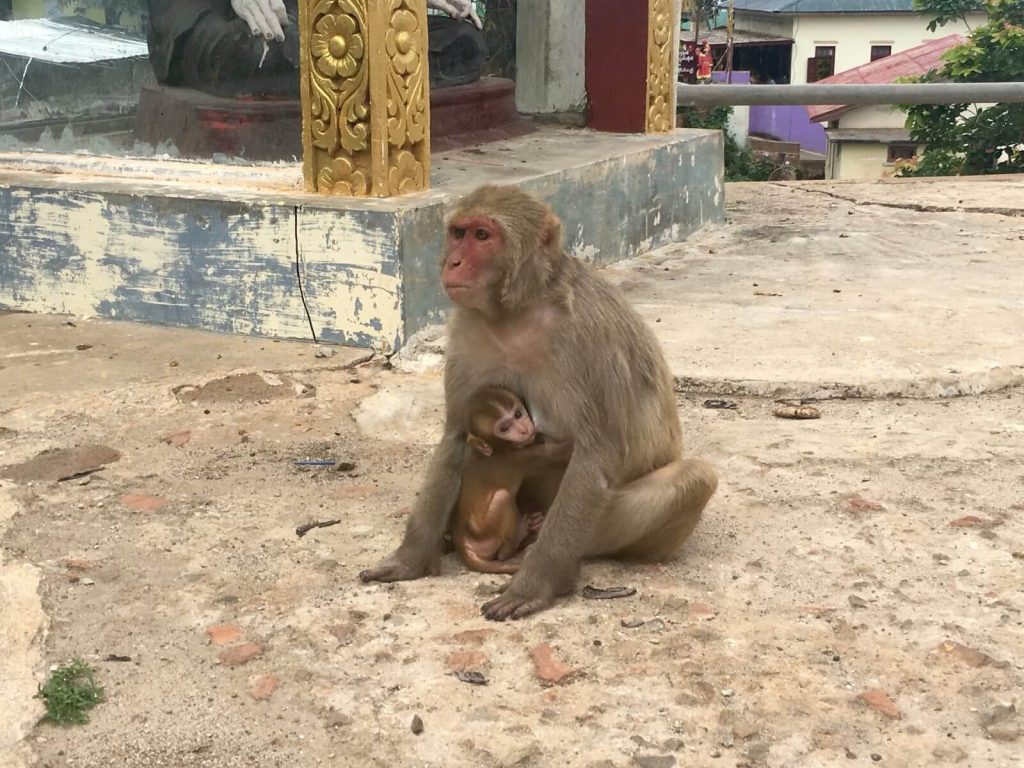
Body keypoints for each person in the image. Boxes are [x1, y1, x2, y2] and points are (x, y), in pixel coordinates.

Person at [144, 0, 485, 98]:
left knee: (462, 41)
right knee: (263, 51)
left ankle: (359, 71)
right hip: (205, 14)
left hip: (305, 16)